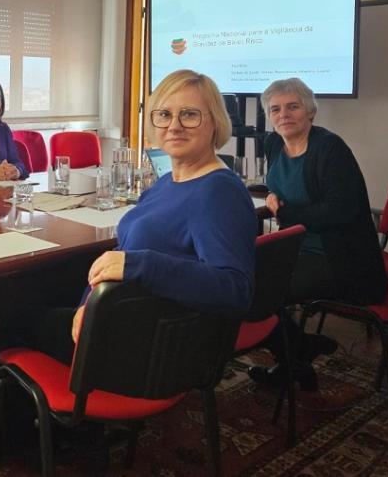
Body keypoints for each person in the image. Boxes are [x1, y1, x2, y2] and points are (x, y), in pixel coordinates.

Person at [16, 69, 257, 365]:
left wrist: (139, 264)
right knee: (25, 294)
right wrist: (86, 305)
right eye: (164, 114)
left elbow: (235, 290)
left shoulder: (218, 191)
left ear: (215, 122)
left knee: (4, 319)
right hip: (117, 319)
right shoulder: (167, 182)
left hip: (147, 347)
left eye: (190, 115)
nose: (174, 125)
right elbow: (123, 253)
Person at [249, 77, 388, 390]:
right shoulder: (274, 144)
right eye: (275, 109)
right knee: (242, 274)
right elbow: (280, 183)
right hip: (297, 246)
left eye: (292, 106)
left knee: (259, 290)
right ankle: (298, 348)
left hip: (339, 255)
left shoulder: (330, 149)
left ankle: (292, 357)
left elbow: (337, 213)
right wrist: (268, 193)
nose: (283, 114)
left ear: (309, 112)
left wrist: (283, 212)